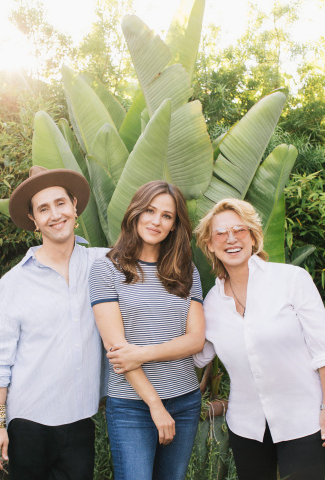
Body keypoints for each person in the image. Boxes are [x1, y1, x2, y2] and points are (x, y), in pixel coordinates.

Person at [0, 166, 108, 480]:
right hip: (29, 424)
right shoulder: (11, 287)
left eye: (60, 203)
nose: (55, 214)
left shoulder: (103, 265)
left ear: (75, 206)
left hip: (80, 422)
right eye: (43, 209)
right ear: (34, 221)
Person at [193, 198, 325, 480]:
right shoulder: (211, 303)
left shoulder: (292, 280)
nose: (231, 239)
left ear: (253, 236)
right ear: (210, 245)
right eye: (220, 233)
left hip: (305, 420)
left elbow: (323, 351)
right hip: (247, 428)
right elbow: (198, 355)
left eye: (239, 230)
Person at [89, 180, 205, 480]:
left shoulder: (186, 271)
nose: (156, 220)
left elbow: (195, 340)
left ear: (174, 226)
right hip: (132, 407)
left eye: (167, 216)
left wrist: (141, 353)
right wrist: (155, 405)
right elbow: (118, 351)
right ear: (135, 214)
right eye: (150, 210)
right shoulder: (106, 269)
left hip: (185, 400)